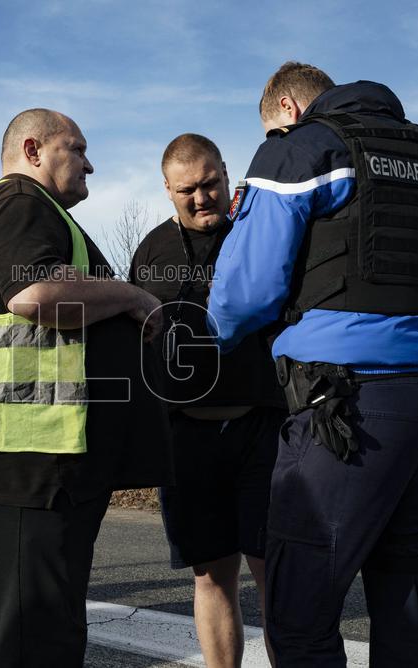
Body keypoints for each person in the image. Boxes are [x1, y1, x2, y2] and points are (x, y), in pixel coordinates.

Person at [207, 62, 418, 667]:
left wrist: (217, 336)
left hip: (350, 411)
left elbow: (243, 293)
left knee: (301, 616)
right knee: (408, 614)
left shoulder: (300, 150)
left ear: (286, 107)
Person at [0, 108, 173, 668]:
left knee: (46, 629)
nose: (90, 164)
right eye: (77, 149)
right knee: (34, 640)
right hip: (18, 455)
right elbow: (34, 293)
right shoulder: (18, 201)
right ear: (34, 150)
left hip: (33, 456)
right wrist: (132, 297)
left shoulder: (42, 215)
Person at [130, 133, 286, 667]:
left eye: (211, 184)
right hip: (187, 438)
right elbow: (139, 343)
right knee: (211, 573)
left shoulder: (260, 232)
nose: (201, 198)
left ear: (226, 173)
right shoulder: (150, 251)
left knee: (274, 570)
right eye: (187, 190)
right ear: (168, 190)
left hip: (262, 430)